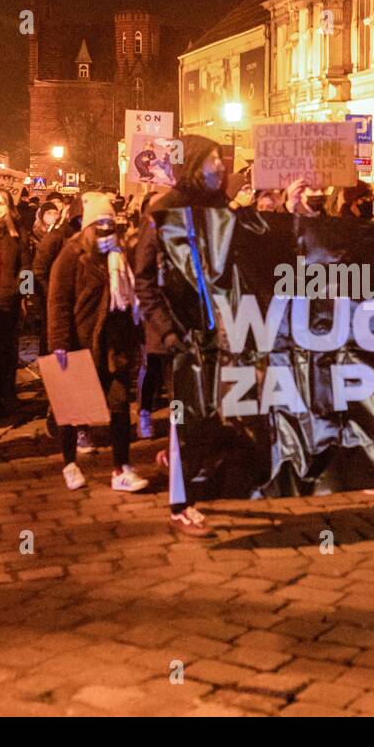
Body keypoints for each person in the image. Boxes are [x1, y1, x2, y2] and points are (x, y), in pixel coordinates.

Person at [133, 135, 230, 538]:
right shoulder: (163, 211)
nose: (222, 166)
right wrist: (168, 332)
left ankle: (184, 473)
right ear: (193, 165)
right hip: (179, 338)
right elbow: (144, 282)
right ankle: (181, 506)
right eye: (213, 160)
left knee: (208, 418)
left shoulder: (221, 209)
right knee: (184, 418)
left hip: (215, 334)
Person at [48, 192, 148, 492]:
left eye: (110, 222)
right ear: (88, 225)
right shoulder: (70, 255)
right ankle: (69, 463)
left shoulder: (119, 256)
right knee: (73, 410)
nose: (106, 228)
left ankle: (121, 468)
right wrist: (59, 342)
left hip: (114, 345)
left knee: (119, 407)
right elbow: (58, 302)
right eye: (99, 223)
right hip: (81, 342)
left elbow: (131, 299)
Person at [0, 189, 32, 422]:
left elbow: (26, 268)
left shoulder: (18, 235)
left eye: (2, 203)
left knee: (10, 351)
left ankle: (8, 395)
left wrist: (25, 295)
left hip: (10, 300)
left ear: (10, 207)